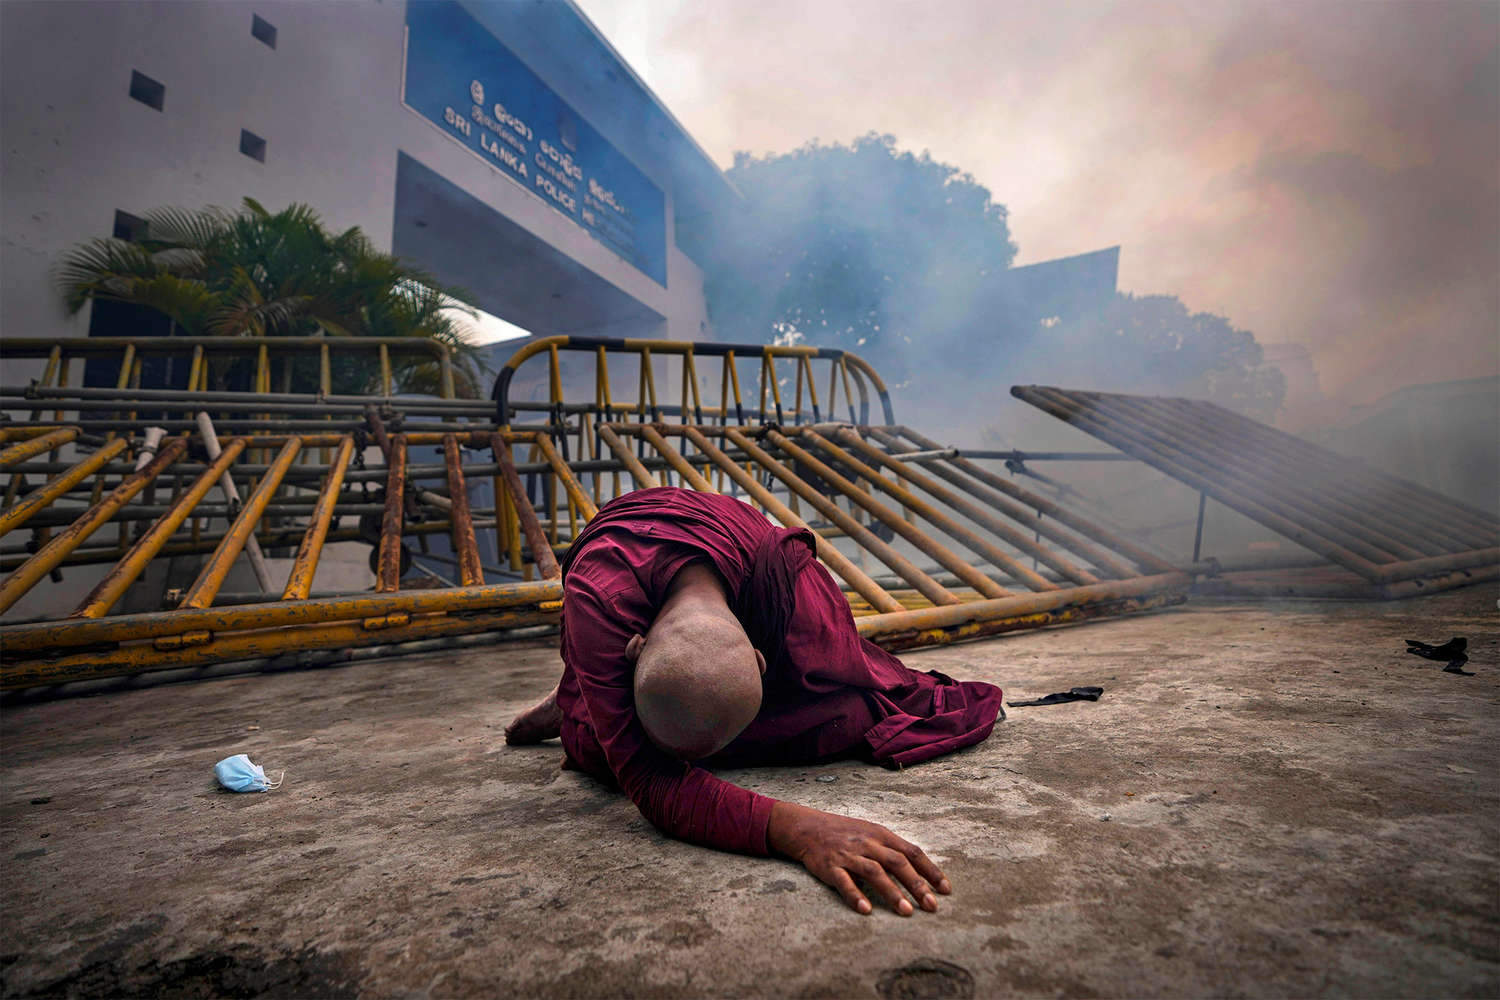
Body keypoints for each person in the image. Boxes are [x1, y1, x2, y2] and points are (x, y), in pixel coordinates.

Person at [506, 486, 1004, 916]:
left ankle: (588, 694)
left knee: (853, 714)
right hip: (619, 630)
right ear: (632, 648)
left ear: (762, 660)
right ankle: (583, 688)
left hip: (682, 642)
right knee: (604, 756)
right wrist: (800, 830)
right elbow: (649, 781)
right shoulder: (598, 597)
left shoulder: (797, 592)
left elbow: (861, 668)